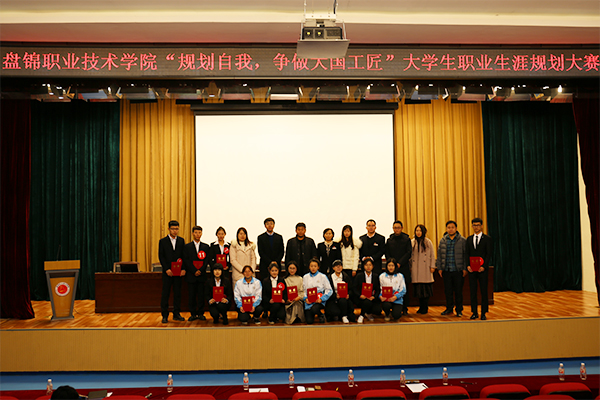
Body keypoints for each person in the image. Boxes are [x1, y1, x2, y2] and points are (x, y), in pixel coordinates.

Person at [436, 220, 468, 317]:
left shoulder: (462, 240)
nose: (450, 229)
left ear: (456, 228)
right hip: (447, 270)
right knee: (448, 291)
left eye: (452, 227)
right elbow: (439, 255)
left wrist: (465, 268)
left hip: (458, 270)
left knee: (458, 291)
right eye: (449, 227)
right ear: (446, 229)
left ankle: (459, 310)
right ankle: (449, 308)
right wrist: (439, 268)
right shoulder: (443, 240)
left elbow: (465, 255)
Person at [466, 217, 493, 320]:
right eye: (474, 225)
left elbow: (488, 254)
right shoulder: (469, 239)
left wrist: (484, 266)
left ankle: (483, 313)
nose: (476, 227)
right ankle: (474, 312)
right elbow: (467, 253)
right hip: (472, 270)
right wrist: (468, 265)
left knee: (483, 291)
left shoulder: (487, 239)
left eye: (478, 225)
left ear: (481, 226)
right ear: (472, 226)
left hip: (482, 270)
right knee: (473, 291)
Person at [159, 220, 186, 323]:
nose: (175, 231)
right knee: (165, 293)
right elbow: (161, 256)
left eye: (177, 229)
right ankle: (165, 315)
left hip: (178, 273)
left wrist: (183, 268)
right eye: (173, 229)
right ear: (169, 229)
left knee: (177, 293)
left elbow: (184, 256)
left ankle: (176, 313)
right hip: (168, 273)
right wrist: (167, 269)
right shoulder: (163, 241)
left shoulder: (181, 241)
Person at [184, 225, 211, 321]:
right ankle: (192, 314)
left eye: (199, 232)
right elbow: (186, 260)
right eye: (196, 232)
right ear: (192, 233)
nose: (198, 234)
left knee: (201, 295)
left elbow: (206, 260)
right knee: (191, 295)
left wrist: (200, 270)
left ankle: (200, 313)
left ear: (201, 234)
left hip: (201, 275)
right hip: (191, 275)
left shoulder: (205, 247)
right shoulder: (187, 247)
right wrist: (194, 270)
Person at [385, 220, 412, 315]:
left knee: (404, 287)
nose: (396, 229)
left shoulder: (406, 239)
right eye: (395, 228)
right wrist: (391, 264)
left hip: (403, 267)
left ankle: (404, 308)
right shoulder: (390, 240)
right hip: (391, 268)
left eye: (398, 228)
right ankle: (392, 306)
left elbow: (408, 253)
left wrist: (400, 263)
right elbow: (387, 253)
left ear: (402, 228)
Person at [411, 224, 435, 314]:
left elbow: (432, 255)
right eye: (417, 230)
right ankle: (421, 307)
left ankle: (425, 307)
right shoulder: (412, 242)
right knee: (418, 290)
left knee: (426, 290)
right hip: (415, 269)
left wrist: (432, 266)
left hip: (426, 269)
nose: (418, 232)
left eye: (420, 231)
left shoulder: (428, 242)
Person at [302, 258, 333, 324]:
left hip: (319, 300)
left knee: (314, 309)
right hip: (309, 301)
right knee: (309, 321)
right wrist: (305, 298)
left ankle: (321, 315)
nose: (313, 268)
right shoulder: (305, 277)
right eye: (311, 266)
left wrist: (322, 299)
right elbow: (303, 290)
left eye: (315, 266)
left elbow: (329, 290)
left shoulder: (323, 276)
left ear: (318, 267)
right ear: (309, 267)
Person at [351, 257, 381, 323]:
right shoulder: (359, 275)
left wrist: (374, 297)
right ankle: (362, 315)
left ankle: (368, 313)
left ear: (373, 266)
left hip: (371, 298)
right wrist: (360, 295)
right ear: (364, 266)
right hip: (361, 298)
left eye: (370, 265)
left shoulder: (375, 276)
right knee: (366, 302)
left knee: (378, 310)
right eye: (366, 265)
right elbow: (354, 288)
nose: (368, 267)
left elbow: (378, 289)